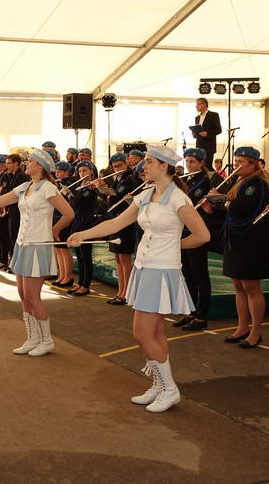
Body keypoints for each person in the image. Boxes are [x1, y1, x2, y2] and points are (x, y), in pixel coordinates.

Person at [69, 146, 210, 412]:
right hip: (144, 268)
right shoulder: (146, 194)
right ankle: (159, 384)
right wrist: (83, 234)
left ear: (164, 166)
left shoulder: (178, 198)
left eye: (149, 162)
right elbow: (116, 223)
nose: (143, 166)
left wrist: (174, 245)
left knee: (142, 333)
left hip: (162, 270)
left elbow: (203, 235)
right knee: (154, 332)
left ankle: (169, 388)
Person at [0, 149, 74, 355]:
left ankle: (47, 340)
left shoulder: (48, 188)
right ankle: (33, 338)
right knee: (23, 295)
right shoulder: (25, 186)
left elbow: (69, 213)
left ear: (40, 165)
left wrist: (54, 230)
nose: (26, 163)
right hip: (22, 244)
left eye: (30, 161)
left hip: (37, 246)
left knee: (33, 297)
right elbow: (0, 201)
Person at [203, 147, 269, 349]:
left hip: (251, 241)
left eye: (241, 162)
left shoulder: (257, 183)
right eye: (236, 161)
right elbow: (231, 210)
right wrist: (213, 206)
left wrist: (220, 200)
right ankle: (242, 327)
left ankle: (255, 332)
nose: (236, 165)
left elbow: (239, 207)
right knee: (238, 287)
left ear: (253, 164)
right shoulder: (240, 181)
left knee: (251, 287)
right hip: (235, 239)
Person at [174, 148, 213, 331]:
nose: (189, 165)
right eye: (187, 161)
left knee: (200, 275)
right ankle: (191, 312)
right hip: (183, 231)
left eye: (192, 162)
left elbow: (188, 202)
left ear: (201, 163)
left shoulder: (204, 182)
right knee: (187, 274)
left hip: (197, 232)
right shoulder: (187, 180)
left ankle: (201, 316)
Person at [96, 153, 140, 306]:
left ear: (126, 163)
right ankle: (121, 291)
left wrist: (128, 199)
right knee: (117, 258)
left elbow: (133, 199)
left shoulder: (132, 179)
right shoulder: (118, 179)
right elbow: (113, 199)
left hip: (125, 222)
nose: (117, 169)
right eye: (114, 167)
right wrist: (102, 189)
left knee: (124, 259)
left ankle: (126, 293)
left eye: (119, 166)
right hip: (115, 219)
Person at [66, 161, 99, 296]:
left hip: (86, 224)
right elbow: (73, 205)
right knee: (79, 256)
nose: (82, 173)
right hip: (76, 223)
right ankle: (80, 283)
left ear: (91, 171)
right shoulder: (79, 186)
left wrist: (71, 194)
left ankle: (86, 285)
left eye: (84, 170)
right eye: (80, 171)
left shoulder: (92, 187)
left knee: (86, 256)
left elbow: (80, 202)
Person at [51, 161, 75, 287]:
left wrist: (65, 194)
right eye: (56, 171)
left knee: (64, 249)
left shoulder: (70, 183)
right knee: (58, 249)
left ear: (67, 172)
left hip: (63, 218)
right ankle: (61, 275)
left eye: (60, 172)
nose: (57, 174)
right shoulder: (57, 183)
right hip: (55, 217)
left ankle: (68, 276)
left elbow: (70, 201)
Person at [194, 97, 222, 171]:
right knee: (199, 167)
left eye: (198, 104)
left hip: (209, 146)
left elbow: (219, 130)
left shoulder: (214, 115)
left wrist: (207, 133)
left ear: (204, 105)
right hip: (199, 146)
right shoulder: (197, 118)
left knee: (208, 167)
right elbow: (198, 132)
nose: (196, 106)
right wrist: (194, 134)